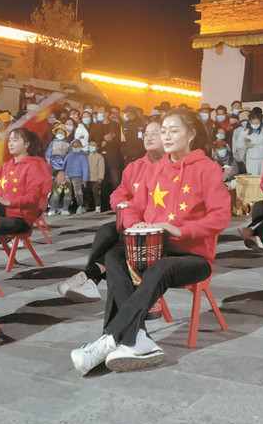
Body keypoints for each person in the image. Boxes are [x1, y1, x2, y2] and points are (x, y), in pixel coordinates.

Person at [70, 109, 230, 374]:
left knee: (160, 268)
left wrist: (180, 230)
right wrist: (135, 224)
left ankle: (108, 340)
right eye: (163, 130)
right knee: (114, 255)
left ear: (191, 134)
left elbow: (221, 217)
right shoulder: (156, 170)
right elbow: (133, 207)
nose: (166, 136)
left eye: (173, 130)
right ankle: (138, 338)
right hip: (156, 249)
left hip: (193, 257)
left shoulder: (207, 169)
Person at [57, 121, 164, 303]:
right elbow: (118, 194)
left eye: (155, 133)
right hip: (132, 221)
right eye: (146, 133)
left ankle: (89, 277)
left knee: (121, 247)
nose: (149, 137)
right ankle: (91, 281)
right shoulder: (135, 167)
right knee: (106, 231)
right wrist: (123, 205)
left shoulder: (171, 168)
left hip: (153, 228)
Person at [0, 128, 48, 236]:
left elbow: (33, 196)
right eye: (9, 140)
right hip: (1, 213)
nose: (10, 144)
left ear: (27, 144)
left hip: (21, 219)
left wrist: (10, 202)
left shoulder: (33, 166)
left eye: (15, 140)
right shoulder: (4, 167)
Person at [63, 139, 89, 214]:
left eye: (77, 146)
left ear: (81, 146)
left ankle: (80, 206)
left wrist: (84, 179)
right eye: (74, 146)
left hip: (77, 176)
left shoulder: (83, 156)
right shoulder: (69, 155)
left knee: (78, 192)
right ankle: (65, 208)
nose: (76, 147)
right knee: (67, 192)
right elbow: (64, 166)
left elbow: (85, 168)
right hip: (68, 176)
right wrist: (62, 175)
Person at [86, 140, 105, 213]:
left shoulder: (99, 157)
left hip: (95, 178)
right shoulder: (86, 156)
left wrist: (100, 177)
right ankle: (88, 206)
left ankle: (97, 206)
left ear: (97, 147)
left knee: (96, 193)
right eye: (90, 145)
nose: (91, 147)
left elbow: (101, 167)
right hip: (87, 178)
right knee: (87, 193)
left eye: (93, 145)